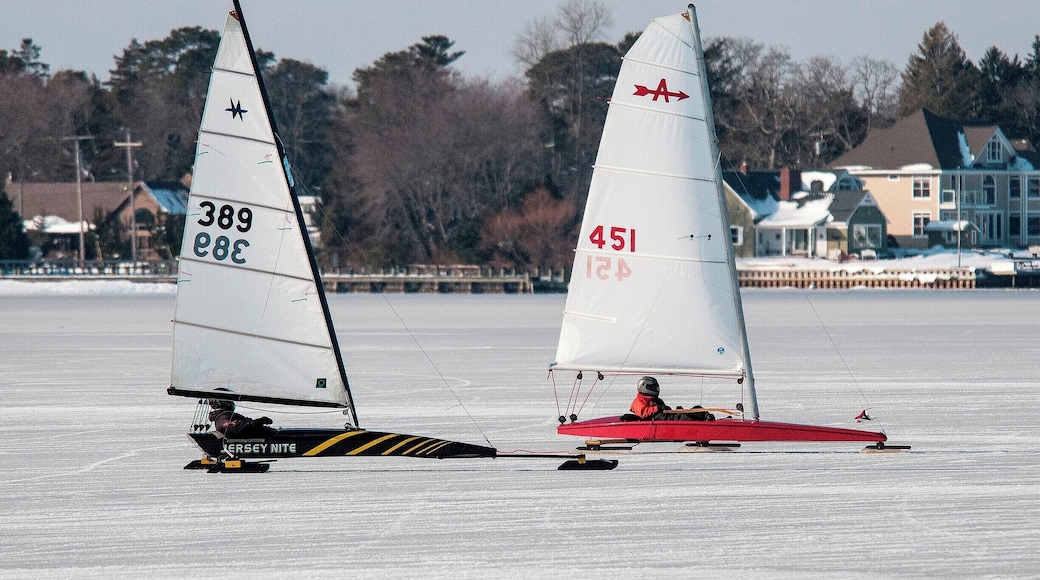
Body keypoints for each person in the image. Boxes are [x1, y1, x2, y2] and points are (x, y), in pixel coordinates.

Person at [629, 376, 715, 421]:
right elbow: (642, 412)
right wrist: (658, 408)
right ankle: (702, 420)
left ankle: (705, 416)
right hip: (657, 420)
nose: (656, 389)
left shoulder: (655, 400)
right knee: (684, 417)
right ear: (645, 387)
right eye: (653, 387)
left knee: (696, 408)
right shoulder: (639, 400)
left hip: (664, 417)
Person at [207, 398, 276, 439]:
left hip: (255, 435)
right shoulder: (223, 418)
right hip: (258, 437)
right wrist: (258, 422)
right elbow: (238, 426)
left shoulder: (223, 416)